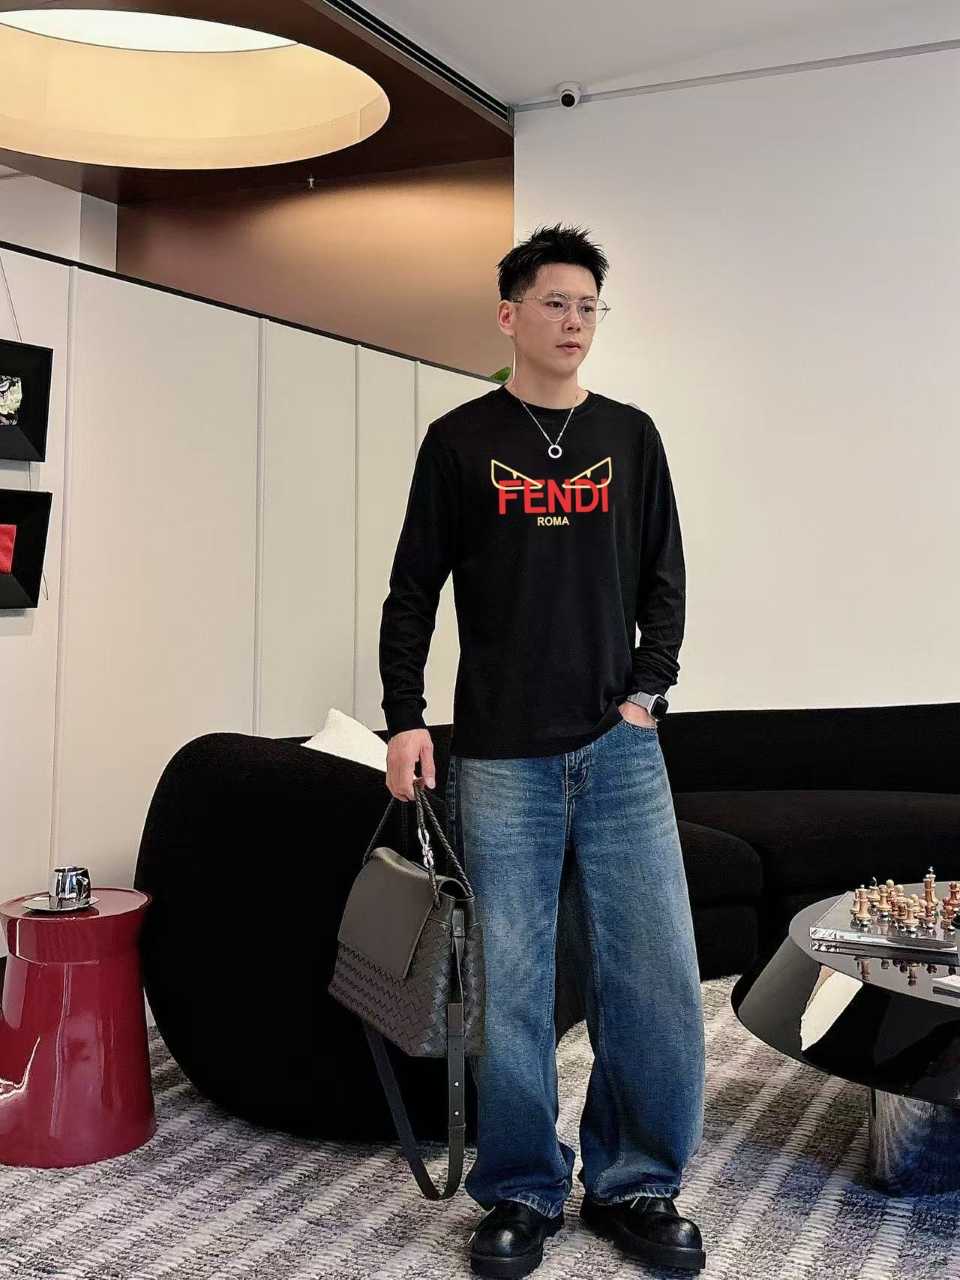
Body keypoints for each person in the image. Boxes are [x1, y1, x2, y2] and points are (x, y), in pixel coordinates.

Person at [379, 222, 706, 1278]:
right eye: (555, 302)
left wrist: (646, 693)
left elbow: (665, 576)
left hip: (619, 752)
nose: (573, 321)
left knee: (653, 976)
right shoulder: (461, 442)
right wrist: (403, 714)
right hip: (501, 757)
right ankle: (522, 1187)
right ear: (509, 315)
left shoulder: (631, 436)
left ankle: (636, 1181)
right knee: (513, 983)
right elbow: (412, 590)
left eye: (588, 306)